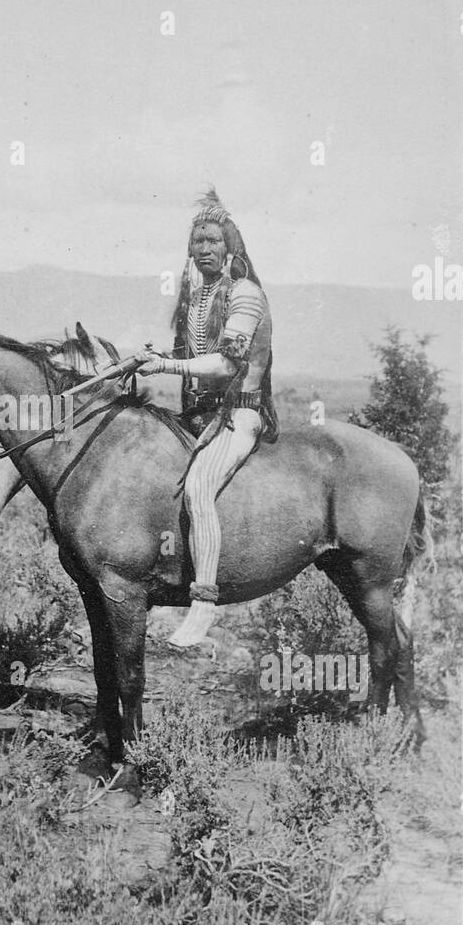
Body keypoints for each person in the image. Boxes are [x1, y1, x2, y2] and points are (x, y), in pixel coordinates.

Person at [132, 189, 278, 647]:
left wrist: (166, 366)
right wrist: (153, 357)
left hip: (239, 416)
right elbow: (192, 355)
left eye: (213, 241)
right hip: (198, 417)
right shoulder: (198, 297)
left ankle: (202, 603)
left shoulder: (246, 295)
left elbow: (225, 365)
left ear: (230, 247)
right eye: (197, 242)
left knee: (198, 489)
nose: (204, 250)